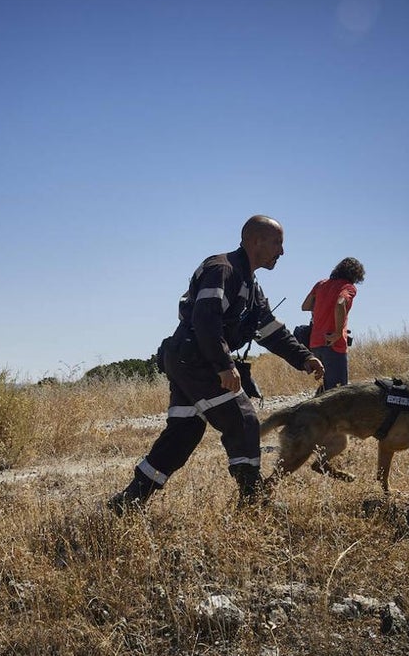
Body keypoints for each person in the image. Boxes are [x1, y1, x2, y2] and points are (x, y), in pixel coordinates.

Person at [108, 215, 324, 513]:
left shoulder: (250, 284)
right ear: (255, 240)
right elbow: (204, 318)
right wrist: (224, 365)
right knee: (243, 419)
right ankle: (252, 501)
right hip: (196, 360)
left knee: (183, 434)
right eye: (277, 243)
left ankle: (128, 502)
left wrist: (304, 357)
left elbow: (269, 330)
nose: (282, 252)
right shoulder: (222, 268)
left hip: (191, 360)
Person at [301, 257, 365, 392]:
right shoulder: (348, 287)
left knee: (325, 389)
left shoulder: (321, 284)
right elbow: (340, 303)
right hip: (333, 344)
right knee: (337, 393)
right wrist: (337, 332)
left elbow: (305, 306)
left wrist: (321, 306)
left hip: (315, 344)